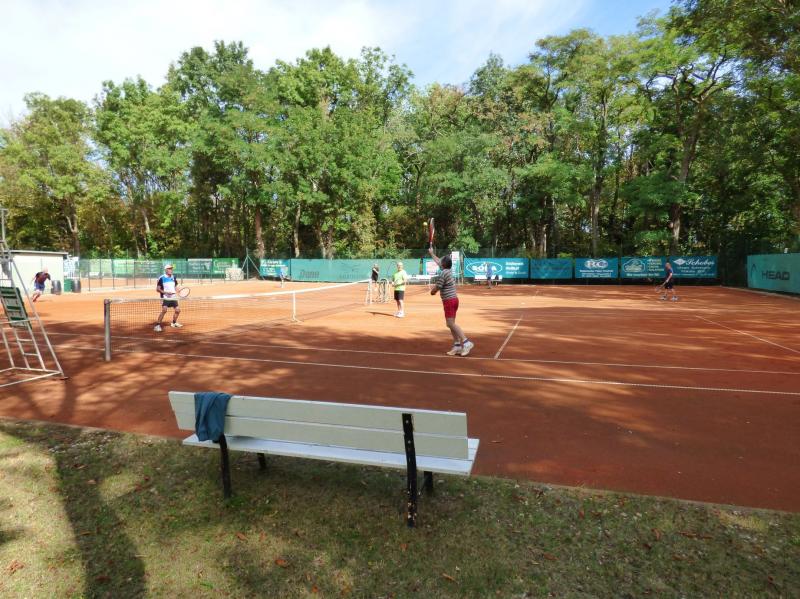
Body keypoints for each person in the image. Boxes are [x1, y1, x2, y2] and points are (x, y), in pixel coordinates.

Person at [429, 248, 474, 356]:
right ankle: (457, 346)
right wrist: (431, 253)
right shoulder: (448, 270)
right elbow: (438, 261)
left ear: (443, 264)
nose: (439, 262)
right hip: (453, 300)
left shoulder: (443, 273)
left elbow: (437, 287)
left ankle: (466, 342)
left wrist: (432, 291)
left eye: (441, 261)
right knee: (451, 324)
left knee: (450, 323)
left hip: (449, 301)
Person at [154, 265, 183, 332]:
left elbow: (175, 286)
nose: (171, 270)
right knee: (164, 310)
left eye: (171, 269)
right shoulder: (161, 278)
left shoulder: (173, 277)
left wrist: (178, 290)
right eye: (169, 269)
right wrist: (166, 292)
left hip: (173, 297)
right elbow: (158, 289)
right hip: (165, 297)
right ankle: (157, 325)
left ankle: (174, 323)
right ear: (166, 270)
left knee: (178, 310)